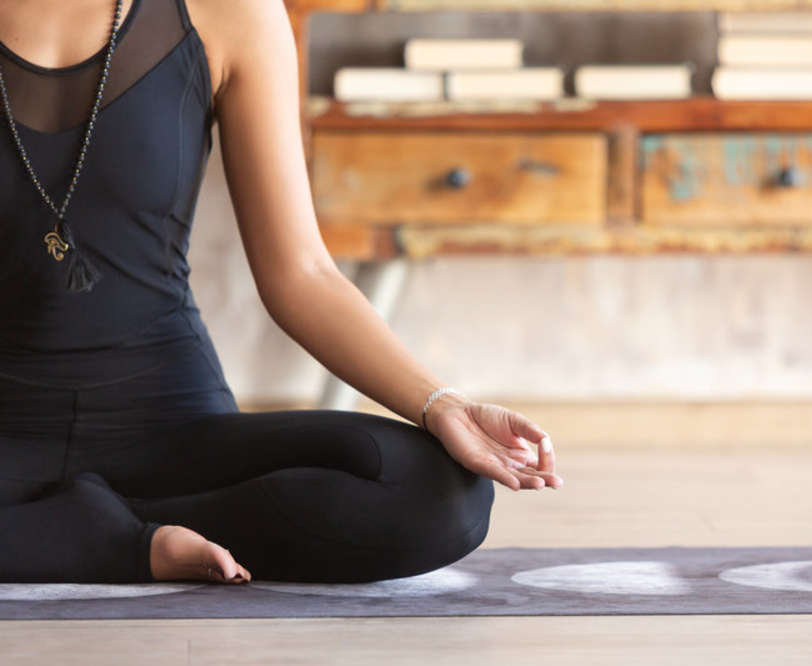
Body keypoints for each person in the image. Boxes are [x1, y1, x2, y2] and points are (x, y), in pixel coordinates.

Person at [0, 0, 562, 585]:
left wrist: (442, 405)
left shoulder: (230, 12)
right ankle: (115, 542)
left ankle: (63, 532)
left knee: (442, 494)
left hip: (172, 428)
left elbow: (302, 274)